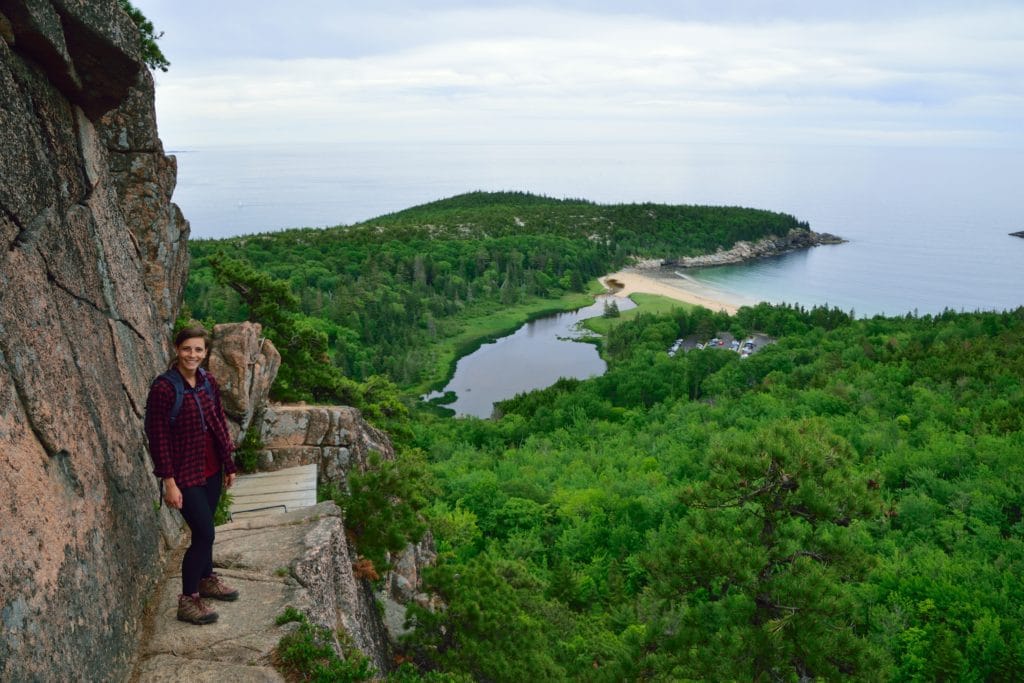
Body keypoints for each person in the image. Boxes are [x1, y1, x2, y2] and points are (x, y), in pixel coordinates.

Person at [145, 325, 241, 625]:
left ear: (205, 352)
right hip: (184, 474)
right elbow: (157, 436)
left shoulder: (207, 381)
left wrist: (229, 464)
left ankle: (206, 577)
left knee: (207, 526)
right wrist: (168, 481)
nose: (192, 354)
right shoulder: (164, 388)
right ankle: (188, 600)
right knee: (204, 533)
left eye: (198, 349)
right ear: (177, 348)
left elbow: (218, 423)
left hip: (212, 468)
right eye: (187, 348)